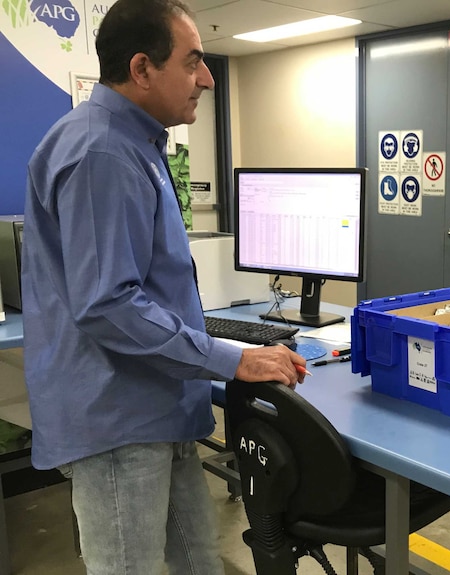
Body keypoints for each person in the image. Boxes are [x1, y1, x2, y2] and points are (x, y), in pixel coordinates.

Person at [21, 0, 306, 573]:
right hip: (120, 422)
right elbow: (108, 305)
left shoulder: (134, 143)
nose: (206, 77)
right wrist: (231, 358)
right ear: (143, 68)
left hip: (157, 407)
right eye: (194, 60)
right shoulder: (102, 151)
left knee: (199, 560)